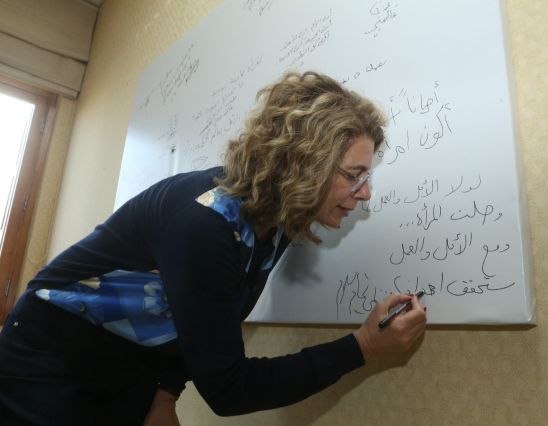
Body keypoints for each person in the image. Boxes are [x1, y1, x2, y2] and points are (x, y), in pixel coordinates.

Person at [0, 71, 427, 425]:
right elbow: (230, 390)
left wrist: (165, 393)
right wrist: (364, 346)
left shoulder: (278, 219)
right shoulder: (205, 224)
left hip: (130, 364)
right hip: (48, 356)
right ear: (303, 163)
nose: (366, 192)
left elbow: (203, 317)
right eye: (354, 175)